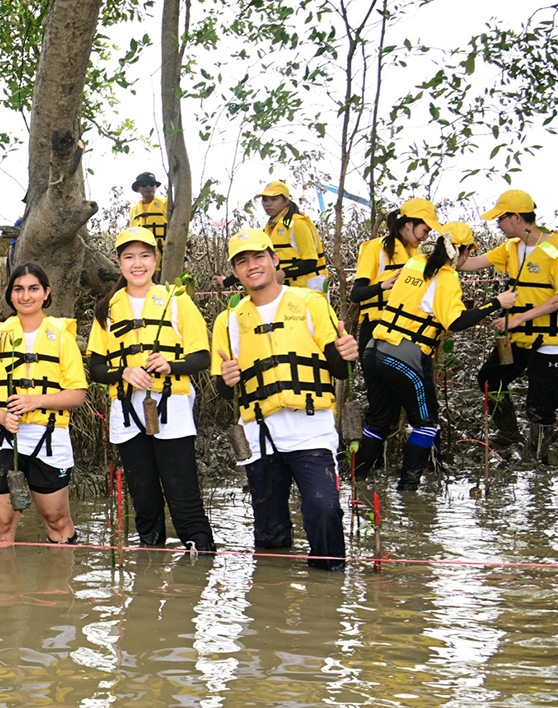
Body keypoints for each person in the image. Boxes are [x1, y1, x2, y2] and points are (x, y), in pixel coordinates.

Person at [211, 229, 355, 570]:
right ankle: (270, 604)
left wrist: (346, 353)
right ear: (235, 272)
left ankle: (329, 591)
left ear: (274, 260)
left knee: (323, 508)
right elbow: (224, 389)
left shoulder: (310, 303)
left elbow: (338, 367)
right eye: (242, 261)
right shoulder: (228, 320)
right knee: (269, 530)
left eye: (259, 257)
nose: (252, 266)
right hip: (260, 437)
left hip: (311, 430)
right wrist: (227, 381)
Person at [357, 213, 512, 487]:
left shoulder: (416, 262)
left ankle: (354, 483)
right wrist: (496, 302)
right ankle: (409, 495)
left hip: (374, 349)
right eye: (468, 253)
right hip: (402, 358)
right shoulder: (445, 276)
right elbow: (455, 321)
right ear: (461, 251)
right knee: (426, 424)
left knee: (380, 422)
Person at [87, 228, 215, 551]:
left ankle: (200, 560)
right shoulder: (107, 308)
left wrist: (171, 366)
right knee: (144, 501)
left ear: (156, 259)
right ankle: (150, 565)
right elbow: (97, 369)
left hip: (172, 408)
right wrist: (125, 372)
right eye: (129, 257)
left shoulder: (178, 301)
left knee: (184, 498)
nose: (137, 264)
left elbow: (201, 357)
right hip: (128, 413)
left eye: (144, 255)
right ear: (119, 262)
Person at [0, 263, 87, 544]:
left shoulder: (63, 340)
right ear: (10, 294)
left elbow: (77, 394)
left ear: (46, 293)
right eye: (18, 289)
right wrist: (2, 416)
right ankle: (4, 585)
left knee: (57, 519)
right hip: (0, 437)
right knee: (1, 522)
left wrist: (35, 401)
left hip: (49, 435)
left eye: (33, 289)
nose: (26, 296)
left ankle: (58, 585)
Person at [458, 190, 558, 451]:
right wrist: (458, 244)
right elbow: (467, 265)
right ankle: (509, 434)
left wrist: (518, 319)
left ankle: (540, 459)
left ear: (516, 217)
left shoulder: (554, 248)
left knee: (540, 406)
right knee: (489, 379)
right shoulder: (509, 248)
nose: (498, 225)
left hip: (548, 340)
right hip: (516, 338)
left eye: (500, 219)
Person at [219, 182, 327, 291]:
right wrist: (225, 282)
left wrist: (283, 272)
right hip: (287, 290)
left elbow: (311, 262)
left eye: (274, 199)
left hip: (310, 288)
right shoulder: (269, 228)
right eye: (265, 200)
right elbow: (254, 263)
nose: (268, 204)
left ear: (286, 201)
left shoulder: (298, 224)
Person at [351, 204, 429, 350]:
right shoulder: (376, 248)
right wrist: (383, 285)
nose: (426, 236)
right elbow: (356, 294)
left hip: (405, 329)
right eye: (424, 230)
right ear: (409, 225)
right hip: (375, 327)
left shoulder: (418, 255)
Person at [129, 172, 169, 254]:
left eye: (151, 184)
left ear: (155, 187)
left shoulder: (166, 203)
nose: (148, 187)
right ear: (138, 189)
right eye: (144, 185)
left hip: (166, 256)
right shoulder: (134, 210)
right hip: (142, 257)